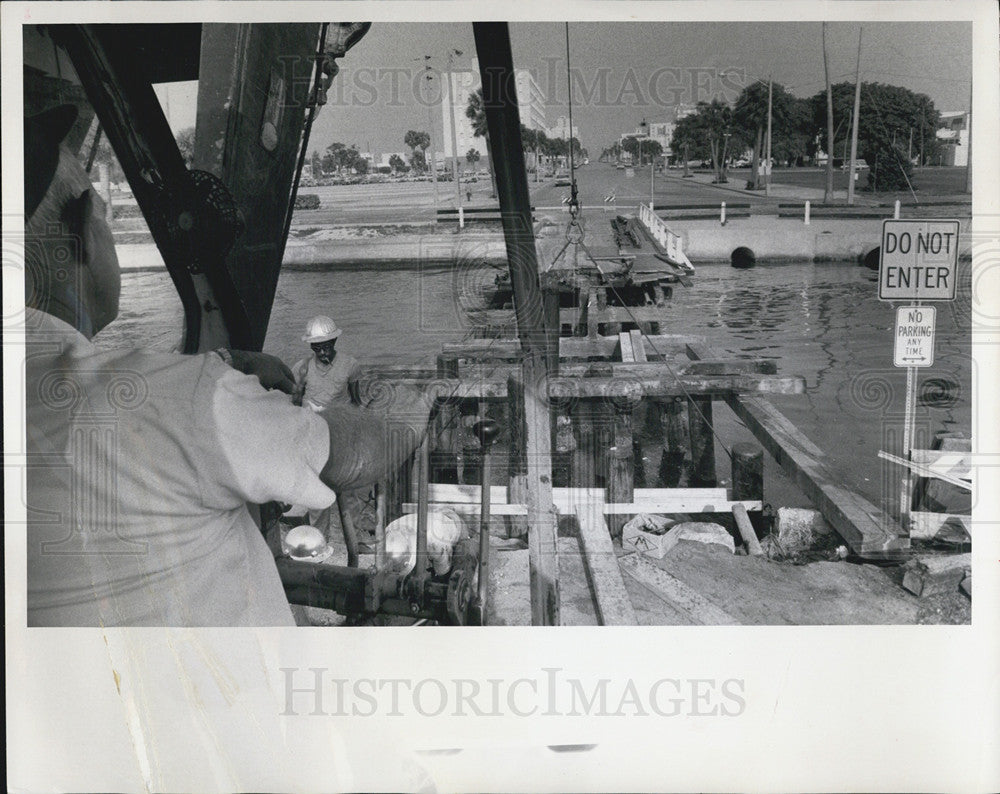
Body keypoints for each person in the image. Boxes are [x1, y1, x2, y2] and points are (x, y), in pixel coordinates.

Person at [22, 105, 429, 626]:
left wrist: (221, 367)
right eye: (102, 213)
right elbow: (354, 453)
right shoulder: (186, 399)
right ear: (82, 229)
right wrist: (411, 419)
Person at [293, 315, 362, 412]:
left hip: (339, 417)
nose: (321, 352)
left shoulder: (350, 365)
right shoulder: (301, 367)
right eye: (316, 349)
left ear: (334, 341)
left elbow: (356, 402)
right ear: (311, 346)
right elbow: (296, 402)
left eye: (326, 347)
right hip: (311, 418)